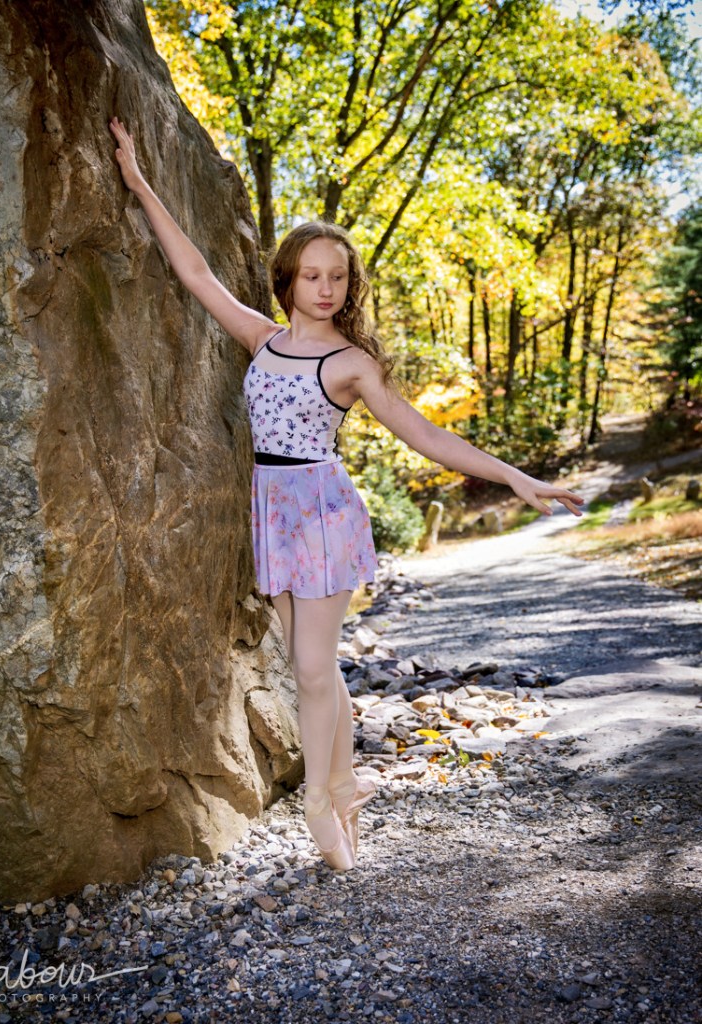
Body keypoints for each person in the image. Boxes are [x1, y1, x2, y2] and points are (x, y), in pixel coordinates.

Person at [108, 116, 585, 873]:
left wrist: (515, 477)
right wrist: (139, 182)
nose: (326, 289)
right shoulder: (263, 339)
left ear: (348, 287)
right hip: (273, 508)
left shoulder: (352, 363)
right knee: (317, 666)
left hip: (321, 512)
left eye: (338, 278)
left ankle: (320, 801)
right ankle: (347, 780)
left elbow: (426, 435)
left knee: (308, 667)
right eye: (313, 276)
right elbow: (196, 274)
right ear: (289, 279)